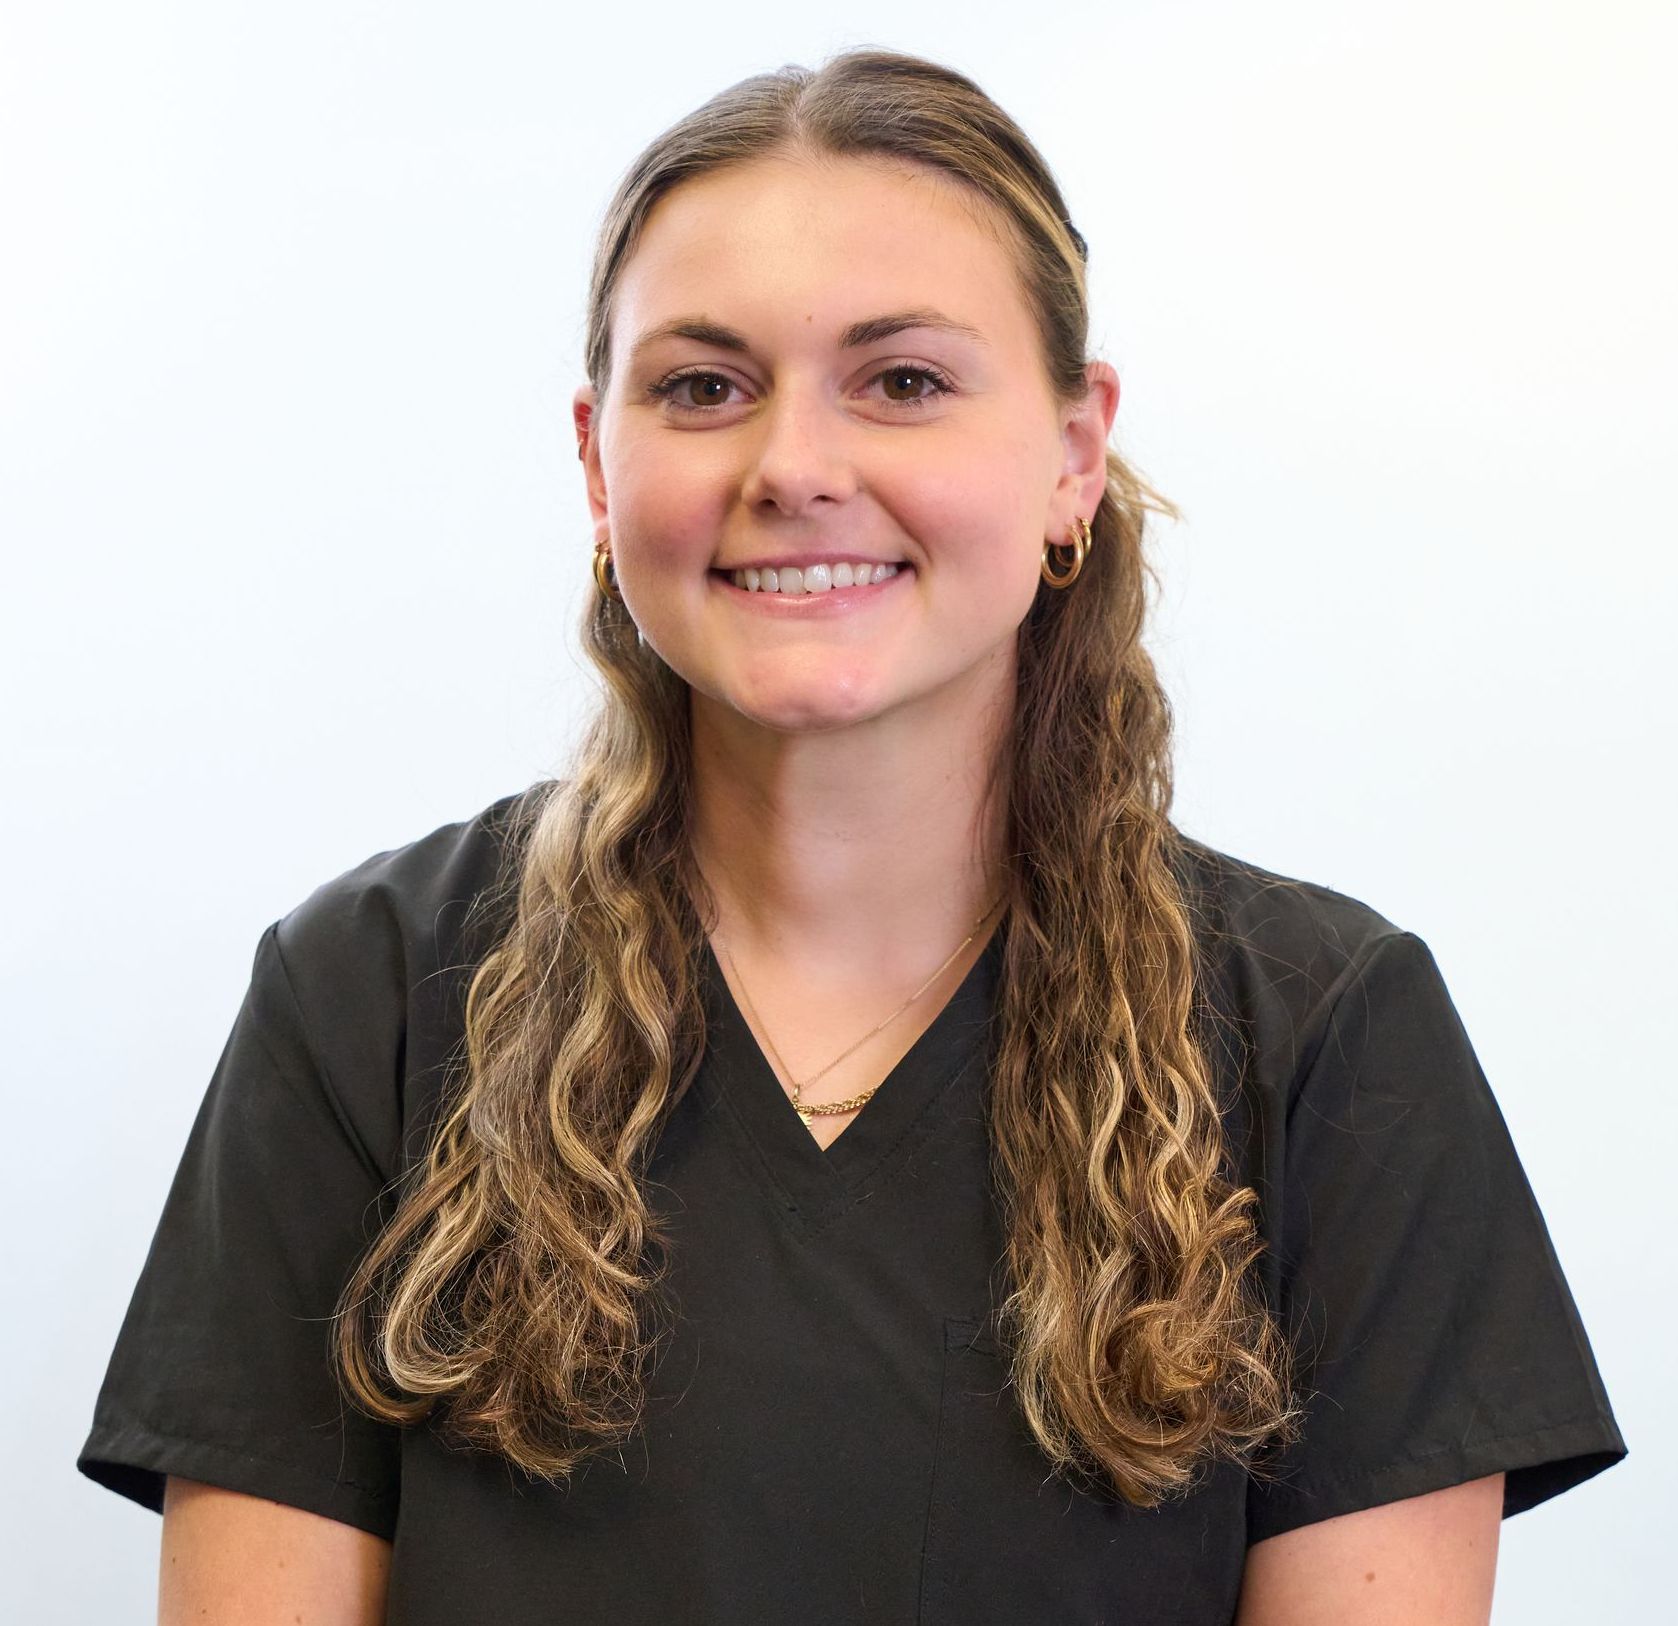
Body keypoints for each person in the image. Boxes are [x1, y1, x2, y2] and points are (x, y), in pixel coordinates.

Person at [78, 46, 1625, 1625]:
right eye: (700, 386)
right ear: (596, 464)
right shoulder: (371, 995)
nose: (794, 468)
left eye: (902, 381)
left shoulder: (1325, 1039)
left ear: (1072, 454)